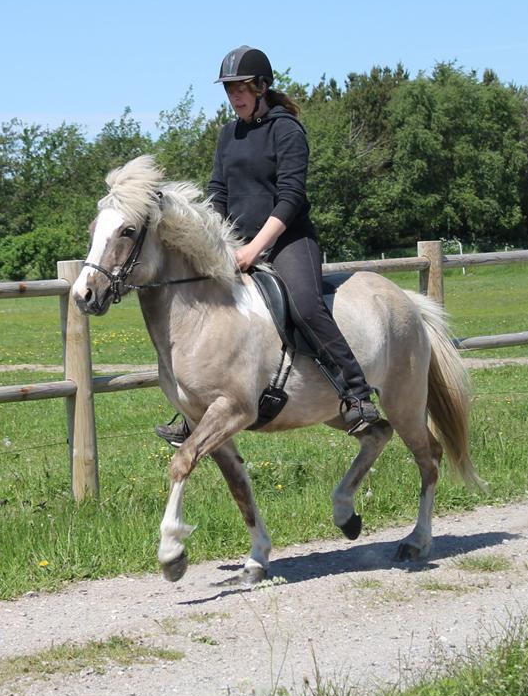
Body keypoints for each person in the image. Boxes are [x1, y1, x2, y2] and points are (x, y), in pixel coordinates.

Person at [155, 45, 381, 447]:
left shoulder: (287, 130)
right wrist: (215, 242)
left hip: (288, 240)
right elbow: (218, 192)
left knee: (306, 305)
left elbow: (290, 198)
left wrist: (255, 249)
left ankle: (356, 393)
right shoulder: (228, 135)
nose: (234, 96)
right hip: (237, 242)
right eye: (229, 90)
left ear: (261, 86)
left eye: (241, 87)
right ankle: (195, 412)